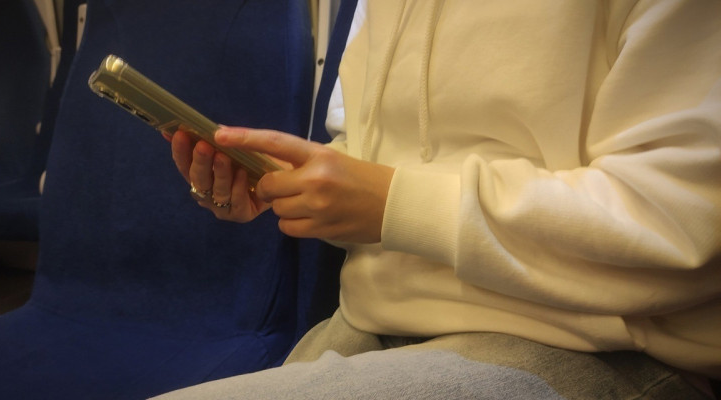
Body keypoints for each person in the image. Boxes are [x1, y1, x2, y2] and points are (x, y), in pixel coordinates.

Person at [156, 0, 721, 398]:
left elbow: (681, 219)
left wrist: (394, 204)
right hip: (372, 322)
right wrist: (301, 184)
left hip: (598, 348)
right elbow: (382, 151)